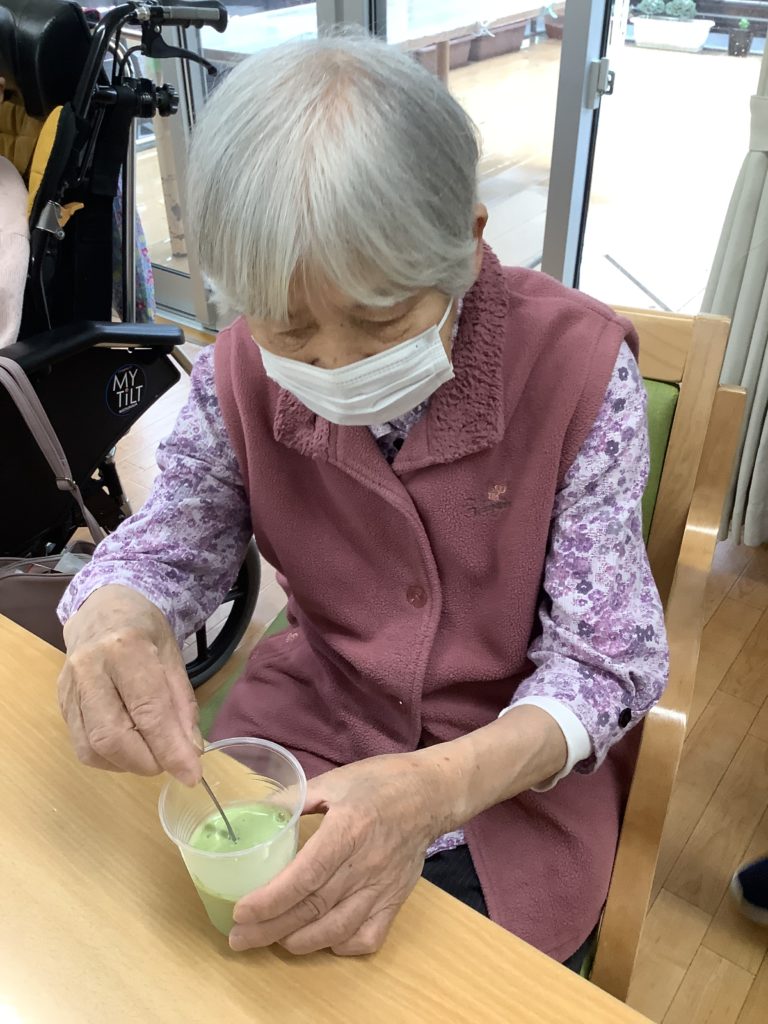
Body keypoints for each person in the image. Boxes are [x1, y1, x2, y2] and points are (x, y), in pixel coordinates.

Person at [56, 34, 668, 970]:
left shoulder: (577, 373)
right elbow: (172, 542)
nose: (334, 366)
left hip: (508, 780)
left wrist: (435, 790)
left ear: (467, 241)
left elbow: (605, 660)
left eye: (382, 320)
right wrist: (115, 619)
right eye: (290, 329)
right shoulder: (239, 370)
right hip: (307, 733)